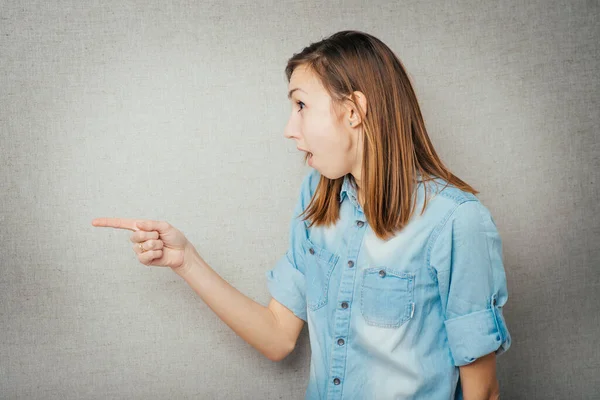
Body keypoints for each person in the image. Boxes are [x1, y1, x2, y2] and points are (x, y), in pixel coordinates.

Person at [92, 30, 511, 400]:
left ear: (354, 111)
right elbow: (277, 336)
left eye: (301, 105)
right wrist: (185, 261)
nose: (289, 128)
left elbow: (483, 391)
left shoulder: (457, 221)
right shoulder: (317, 197)